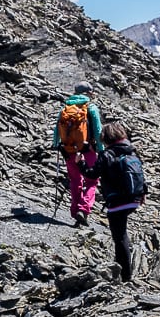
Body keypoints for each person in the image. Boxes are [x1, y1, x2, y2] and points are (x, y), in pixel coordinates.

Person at [76, 122, 144, 282]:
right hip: (134, 199)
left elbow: (92, 175)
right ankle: (123, 270)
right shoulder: (132, 151)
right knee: (122, 234)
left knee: (119, 237)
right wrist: (142, 194)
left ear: (106, 138)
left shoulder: (107, 155)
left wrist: (80, 163)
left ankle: (125, 276)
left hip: (117, 201)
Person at [52, 81, 103, 227]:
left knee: (75, 181)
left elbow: (57, 131)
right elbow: (98, 131)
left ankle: (75, 211)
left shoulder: (66, 108)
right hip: (88, 151)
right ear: (88, 93)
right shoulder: (91, 108)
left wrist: (57, 145)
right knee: (92, 181)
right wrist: (101, 149)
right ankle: (84, 209)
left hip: (69, 150)